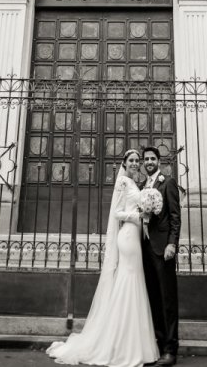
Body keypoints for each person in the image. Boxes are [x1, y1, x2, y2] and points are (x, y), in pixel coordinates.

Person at [46, 148, 159, 367]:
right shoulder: (123, 183)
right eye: (132, 160)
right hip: (127, 237)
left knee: (133, 283)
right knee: (129, 282)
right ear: (124, 163)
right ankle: (122, 345)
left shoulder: (138, 184)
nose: (136, 163)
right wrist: (138, 215)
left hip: (135, 237)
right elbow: (116, 213)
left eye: (138, 160)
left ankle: (130, 342)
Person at [140, 146, 181, 367]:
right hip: (144, 249)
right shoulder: (140, 185)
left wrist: (172, 244)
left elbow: (175, 216)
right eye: (146, 159)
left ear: (159, 161)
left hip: (162, 249)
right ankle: (157, 343)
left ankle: (171, 349)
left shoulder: (168, 183)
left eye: (152, 158)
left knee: (167, 300)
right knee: (153, 298)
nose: (148, 162)